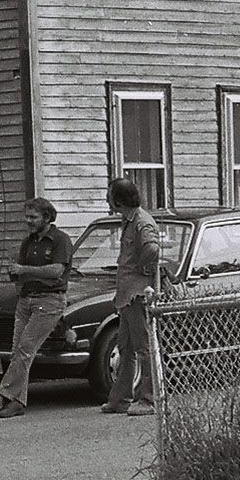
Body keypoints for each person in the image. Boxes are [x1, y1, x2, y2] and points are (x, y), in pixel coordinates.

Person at [0, 197, 73, 419]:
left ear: (47, 217)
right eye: (26, 217)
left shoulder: (60, 240)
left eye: (33, 217)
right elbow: (20, 274)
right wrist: (16, 273)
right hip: (26, 299)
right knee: (18, 351)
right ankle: (18, 401)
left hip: (49, 300)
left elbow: (56, 271)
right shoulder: (28, 242)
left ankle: (3, 395)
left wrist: (24, 269)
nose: (28, 221)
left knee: (26, 348)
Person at [101, 177, 160, 416]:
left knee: (143, 346)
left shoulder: (142, 222)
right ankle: (120, 398)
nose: (107, 199)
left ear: (119, 198)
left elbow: (152, 249)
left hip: (137, 294)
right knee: (124, 346)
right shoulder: (128, 221)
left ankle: (148, 398)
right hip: (125, 294)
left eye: (110, 195)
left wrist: (141, 269)